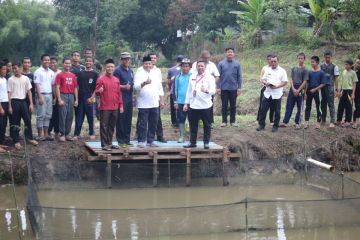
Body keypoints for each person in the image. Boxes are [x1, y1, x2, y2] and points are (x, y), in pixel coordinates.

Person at [184, 60, 216, 149]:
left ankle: (206, 142)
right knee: (193, 125)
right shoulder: (192, 77)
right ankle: (192, 142)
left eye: (202, 66)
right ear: (196, 67)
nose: (200, 67)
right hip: (194, 105)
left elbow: (213, 91)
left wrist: (206, 91)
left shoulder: (210, 77)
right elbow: (189, 91)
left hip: (206, 106)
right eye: (199, 66)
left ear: (205, 67)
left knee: (207, 125)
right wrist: (186, 103)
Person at [134, 55, 164, 148]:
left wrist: (161, 100)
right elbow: (136, 87)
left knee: (153, 122)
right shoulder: (139, 73)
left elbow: (160, 88)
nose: (148, 65)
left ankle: (150, 140)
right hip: (143, 103)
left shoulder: (155, 73)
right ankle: (141, 140)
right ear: (143, 64)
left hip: (154, 102)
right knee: (143, 123)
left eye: (149, 63)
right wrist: (144, 83)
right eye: (146, 63)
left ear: (152, 64)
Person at [7, 63, 38, 149]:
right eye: (13, 68)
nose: (15, 70)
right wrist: (9, 106)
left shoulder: (26, 78)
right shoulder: (10, 79)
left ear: (20, 68)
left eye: (16, 68)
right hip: (14, 102)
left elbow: (29, 92)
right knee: (15, 121)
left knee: (27, 120)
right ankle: (16, 140)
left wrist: (31, 103)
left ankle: (30, 138)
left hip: (23, 102)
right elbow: (9, 93)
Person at [95, 59, 124, 151]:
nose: (110, 68)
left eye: (112, 67)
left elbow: (119, 93)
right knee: (104, 126)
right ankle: (104, 145)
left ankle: (109, 143)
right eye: (108, 67)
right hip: (104, 107)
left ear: (114, 68)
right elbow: (96, 92)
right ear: (105, 68)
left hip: (115, 106)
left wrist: (121, 105)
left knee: (112, 126)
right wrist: (99, 91)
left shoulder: (116, 80)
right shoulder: (101, 79)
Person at [256, 56, 288, 132]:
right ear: (270, 62)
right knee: (263, 110)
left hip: (277, 94)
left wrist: (277, 86)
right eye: (272, 61)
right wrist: (265, 83)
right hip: (267, 93)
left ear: (278, 62)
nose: (273, 63)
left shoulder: (282, 71)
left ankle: (275, 126)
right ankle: (261, 125)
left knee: (277, 111)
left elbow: (285, 82)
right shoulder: (267, 70)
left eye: (275, 61)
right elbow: (263, 79)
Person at [191, 50, 220, 127]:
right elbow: (192, 75)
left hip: (208, 90)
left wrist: (211, 83)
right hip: (196, 89)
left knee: (209, 105)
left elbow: (217, 75)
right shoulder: (195, 64)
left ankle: (209, 122)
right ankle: (198, 121)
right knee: (196, 105)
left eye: (208, 58)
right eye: (205, 58)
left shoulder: (212, 65)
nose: (207, 60)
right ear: (201, 57)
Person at [280, 53, 309, 129]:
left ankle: (297, 123)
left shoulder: (305, 70)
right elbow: (291, 79)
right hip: (293, 88)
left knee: (300, 107)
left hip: (301, 88)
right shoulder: (293, 68)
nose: (300, 60)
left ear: (304, 59)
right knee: (289, 105)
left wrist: (298, 90)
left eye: (301, 58)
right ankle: (285, 122)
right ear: (297, 59)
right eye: (299, 58)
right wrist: (293, 88)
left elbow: (305, 81)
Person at [74, 57, 98, 140]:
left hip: (90, 96)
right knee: (79, 117)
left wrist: (92, 98)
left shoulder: (95, 74)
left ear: (93, 63)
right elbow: (77, 86)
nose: (88, 62)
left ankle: (92, 133)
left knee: (91, 117)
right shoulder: (80, 73)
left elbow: (96, 88)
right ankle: (77, 134)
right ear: (85, 62)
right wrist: (76, 99)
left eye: (90, 61)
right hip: (81, 97)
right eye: (87, 61)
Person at [217, 47, 242, 127]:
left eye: (231, 52)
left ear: (233, 54)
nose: (230, 53)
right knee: (224, 106)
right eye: (228, 52)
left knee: (233, 106)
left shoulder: (237, 64)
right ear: (225, 53)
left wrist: (239, 88)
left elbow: (239, 76)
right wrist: (218, 87)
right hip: (223, 88)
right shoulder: (221, 64)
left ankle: (232, 122)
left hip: (234, 88)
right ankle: (224, 121)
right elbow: (218, 76)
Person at [55, 57, 79, 142]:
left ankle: (67, 133)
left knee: (70, 116)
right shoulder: (59, 75)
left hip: (71, 96)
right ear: (63, 64)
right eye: (66, 63)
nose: (67, 65)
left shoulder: (73, 75)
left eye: (69, 63)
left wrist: (76, 99)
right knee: (62, 115)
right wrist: (59, 99)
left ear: (71, 64)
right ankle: (62, 134)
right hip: (63, 95)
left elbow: (75, 88)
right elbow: (57, 87)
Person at [34, 54, 56, 141]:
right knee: (40, 115)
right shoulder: (38, 71)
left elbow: (53, 85)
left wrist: (54, 97)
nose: (47, 61)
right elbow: (36, 84)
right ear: (41, 61)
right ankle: (40, 135)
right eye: (45, 60)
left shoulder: (51, 72)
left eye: (48, 60)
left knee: (48, 115)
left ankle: (46, 134)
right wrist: (39, 97)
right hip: (41, 94)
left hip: (49, 95)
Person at [114, 52, 134, 148]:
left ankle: (127, 139)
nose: (126, 60)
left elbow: (132, 83)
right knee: (121, 120)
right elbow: (114, 84)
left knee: (128, 120)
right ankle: (120, 140)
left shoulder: (130, 70)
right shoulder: (117, 70)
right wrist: (123, 87)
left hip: (129, 98)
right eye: (125, 59)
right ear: (121, 60)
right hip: (121, 99)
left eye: (128, 59)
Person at [304, 56, 326, 129]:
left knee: (318, 107)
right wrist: (305, 93)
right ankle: (306, 122)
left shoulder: (321, 72)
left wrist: (315, 89)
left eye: (313, 62)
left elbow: (323, 84)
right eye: (311, 62)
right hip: (309, 91)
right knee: (308, 106)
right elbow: (307, 82)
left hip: (317, 91)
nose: (311, 63)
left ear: (317, 62)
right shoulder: (309, 72)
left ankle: (318, 122)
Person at [149, 53, 167, 143]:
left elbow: (160, 87)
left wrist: (162, 100)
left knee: (157, 118)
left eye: (154, 58)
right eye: (151, 58)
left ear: (156, 59)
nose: (152, 59)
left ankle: (160, 136)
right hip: (145, 99)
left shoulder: (158, 71)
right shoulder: (142, 70)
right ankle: (139, 136)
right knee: (142, 119)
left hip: (155, 98)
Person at [173, 58, 192, 143]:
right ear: (181, 67)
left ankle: (192, 137)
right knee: (181, 119)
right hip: (180, 101)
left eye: (187, 66)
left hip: (191, 102)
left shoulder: (193, 76)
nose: (185, 68)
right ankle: (181, 136)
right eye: (184, 66)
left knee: (192, 119)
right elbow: (175, 90)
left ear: (189, 67)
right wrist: (175, 101)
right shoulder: (178, 77)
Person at [336, 59, 358, 127]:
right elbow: (342, 82)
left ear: (351, 65)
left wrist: (353, 93)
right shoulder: (344, 72)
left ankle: (348, 121)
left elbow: (354, 84)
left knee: (348, 106)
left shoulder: (353, 73)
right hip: (344, 91)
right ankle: (339, 120)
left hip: (350, 91)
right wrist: (339, 92)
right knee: (341, 105)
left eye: (347, 64)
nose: (345, 66)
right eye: (345, 64)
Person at [320, 50, 339, 128]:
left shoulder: (335, 66)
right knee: (323, 104)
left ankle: (332, 121)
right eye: (326, 57)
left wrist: (336, 89)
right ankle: (323, 120)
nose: (327, 59)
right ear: (324, 57)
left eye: (329, 57)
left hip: (330, 87)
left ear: (331, 57)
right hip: (322, 87)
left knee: (331, 104)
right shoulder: (321, 66)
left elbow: (336, 78)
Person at [257, 54, 275, 124]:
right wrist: (265, 84)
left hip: (274, 88)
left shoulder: (276, 68)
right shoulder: (265, 68)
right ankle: (259, 119)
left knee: (273, 105)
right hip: (265, 88)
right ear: (267, 60)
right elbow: (261, 78)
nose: (270, 60)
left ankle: (271, 120)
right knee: (262, 104)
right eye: (268, 59)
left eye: (271, 59)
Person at [167, 55, 184, 128]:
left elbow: (168, 81)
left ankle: (174, 122)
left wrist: (170, 89)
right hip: (181, 91)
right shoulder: (184, 69)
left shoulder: (171, 69)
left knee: (173, 108)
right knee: (180, 107)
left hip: (173, 91)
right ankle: (179, 122)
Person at [48, 56, 61, 137]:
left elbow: (57, 86)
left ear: (57, 63)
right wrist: (54, 97)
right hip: (49, 94)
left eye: (54, 62)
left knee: (57, 113)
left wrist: (57, 97)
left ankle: (56, 131)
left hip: (58, 94)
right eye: (51, 62)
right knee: (50, 114)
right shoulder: (48, 72)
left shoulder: (60, 72)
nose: (52, 64)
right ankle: (48, 130)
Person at [0, 62, 9, 152]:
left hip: (5, 103)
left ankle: (1, 142)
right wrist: (1, 108)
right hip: (1, 104)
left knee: (3, 125)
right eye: (3, 69)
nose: (5, 71)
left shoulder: (4, 79)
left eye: (6, 69)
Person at [353, 59, 360, 129]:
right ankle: (354, 120)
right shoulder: (354, 71)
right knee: (356, 106)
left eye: (359, 63)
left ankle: (356, 121)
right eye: (356, 63)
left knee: (358, 106)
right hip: (354, 92)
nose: (357, 64)